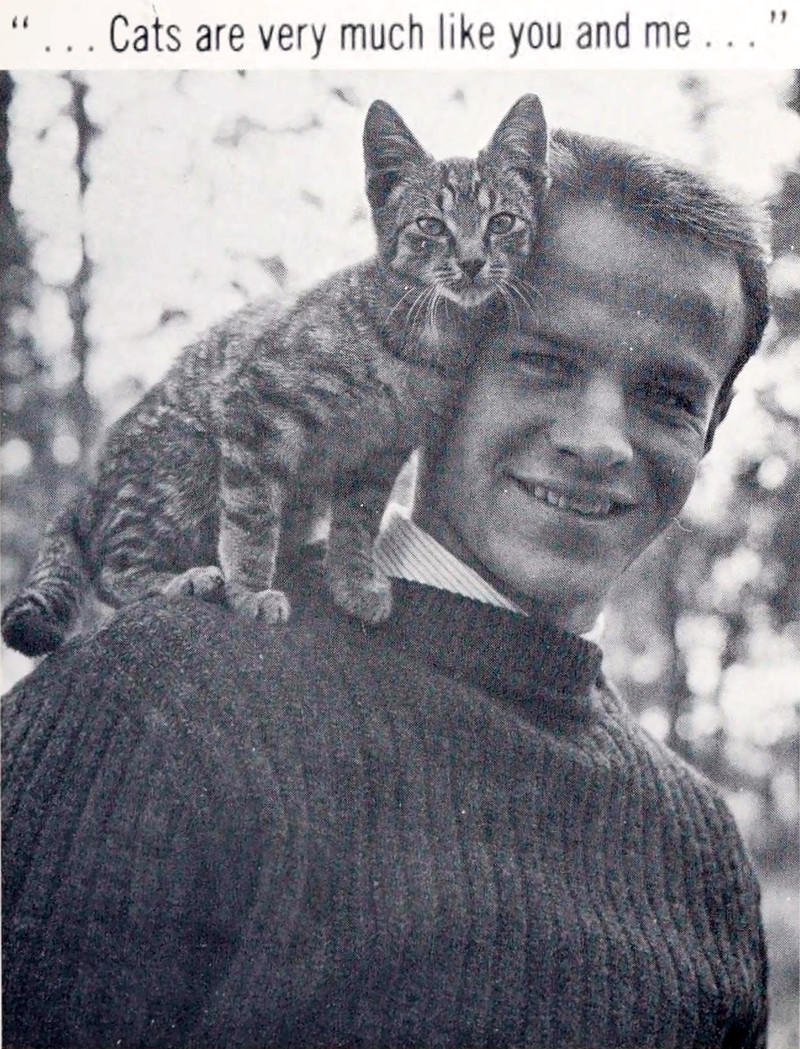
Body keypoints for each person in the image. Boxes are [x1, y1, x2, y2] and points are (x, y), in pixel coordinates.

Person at [2, 128, 770, 1048]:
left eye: (670, 395)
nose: (597, 440)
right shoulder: (153, 693)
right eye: (544, 362)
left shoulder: (702, 851)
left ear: (713, 426)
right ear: (448, 340)